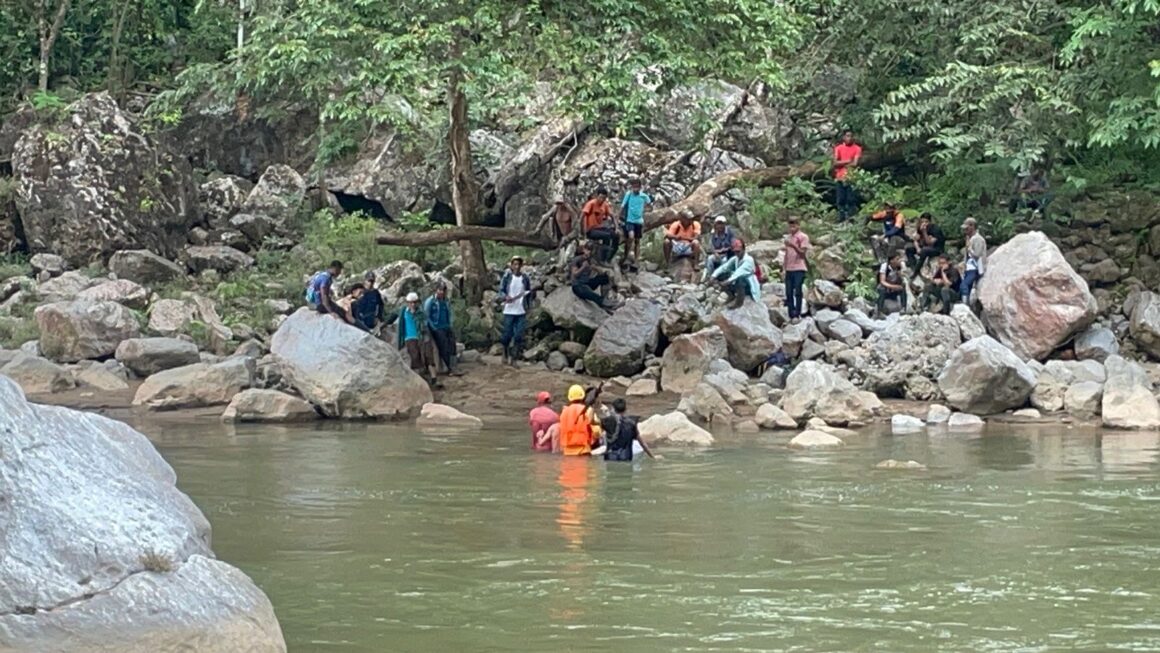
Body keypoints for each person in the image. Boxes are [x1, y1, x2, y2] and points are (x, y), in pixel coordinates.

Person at [397, 292, 437, 386]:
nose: (413, 304)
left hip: (422, 337)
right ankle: (419, 380)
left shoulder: (421, 313)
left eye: (414, 302)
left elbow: (426, 324)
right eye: (411, 302)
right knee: (415, 357)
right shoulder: (403, 311)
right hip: (410, 337)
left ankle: (433, 378)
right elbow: (393, 317)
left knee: (428, 356)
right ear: (407, 303)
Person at [498, 256, 533, 365]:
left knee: (518, 335)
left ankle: (514, 358)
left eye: (519, 265)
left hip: (521, 311)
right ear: (511, 266)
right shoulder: (507, 277)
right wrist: (505, 297)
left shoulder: (525, 278)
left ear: (521, 266)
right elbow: (501, 291)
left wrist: (529, 306)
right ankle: (505, 351)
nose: (517, 267)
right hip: (509, 310)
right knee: (507, 335)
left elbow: (528, 293)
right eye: (515, 264)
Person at [709, 238, 760, 309]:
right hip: (737, 283)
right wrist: (714, 275)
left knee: (740, 279)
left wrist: (728, 281)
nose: (737, 254)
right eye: (735, 252)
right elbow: (724, 267)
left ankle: (739, 302)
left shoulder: (748, 260)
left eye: (738, 252)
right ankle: (730, 294)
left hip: (748, 285)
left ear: (743, 250)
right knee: (724, 274)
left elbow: (739, 272)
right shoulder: (735, 259)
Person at [424, 283, 460, 375]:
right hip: (437, 327)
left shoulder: (445, 301)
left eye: (443, 290)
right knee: (444, 347)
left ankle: (454, 366)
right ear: (436, 290)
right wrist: (433, 328)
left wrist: (450, 324)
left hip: (446, 326)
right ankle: (449, 368)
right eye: (439, 290)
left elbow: (449, 313)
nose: (441, 292)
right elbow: (427, 316)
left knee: (452, 345)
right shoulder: (430, 301)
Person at [306, 260, 356, 325]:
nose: (339, 273)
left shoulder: (321, 274)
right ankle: (362, 329)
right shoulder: (326, 279)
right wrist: (331, 312)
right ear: (335, 268)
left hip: (310, 303)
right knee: (344, 314)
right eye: (339, 270)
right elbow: (324, 296)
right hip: (318, 305)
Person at [570, 243, 616, 310]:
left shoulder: (589, 260)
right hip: (577, 285)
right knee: (589, 293)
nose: (588, 252)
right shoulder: (577, 260)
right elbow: (575, 274)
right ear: (583, 250)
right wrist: (583, 267)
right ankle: (603, 302)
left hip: (587, 282)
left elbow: (596, 269)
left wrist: (598, 269)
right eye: (587, 250)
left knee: (604, 278)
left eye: (590, 250)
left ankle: (605, 298)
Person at [783, 217, 811, 322]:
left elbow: (802, 253)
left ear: (798, 225)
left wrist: (793, 245)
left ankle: (797, 313)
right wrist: (784, 268)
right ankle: (791, 314)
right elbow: (786, 254)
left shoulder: (803, 237)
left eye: (794, 226)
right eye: (790, 226)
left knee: (797, 291)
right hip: (789, 268)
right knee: (788, 292)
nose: (792, 228)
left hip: (799, 267)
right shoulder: (788, 238)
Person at [559, 384, 599, 456]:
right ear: (583, 396)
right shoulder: (588, 410)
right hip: (583, 450)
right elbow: (597, 432)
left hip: (567, 452)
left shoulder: (564, 412)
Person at [581, 187, 619, 261]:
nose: (602, 200)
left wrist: (616, 227)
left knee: (615, 235)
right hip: (591, 230)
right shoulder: (591, 204)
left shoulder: (605, 205)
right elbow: (582, 217)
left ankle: (610, 256)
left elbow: (613, 216)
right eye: (600, 197)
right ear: (597, 196)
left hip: (599, 228)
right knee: (607, 236)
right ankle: (602, 258)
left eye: (604, 198)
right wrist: (582, 231)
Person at [619, 179, 651, 266]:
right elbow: (623, 206)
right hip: (630, 220)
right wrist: (618, 217)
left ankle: (636, 260)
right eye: (634, 186)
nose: (635, 188)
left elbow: (649, 205)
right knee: (631, 237)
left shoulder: (644, 196)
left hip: (639, 221)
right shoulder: (629, 194)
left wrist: (644, 211)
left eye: (637, 186)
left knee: (637, 241)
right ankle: (626, 256)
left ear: (640, 187)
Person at [833, 130, 863, 221]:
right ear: (844, 137)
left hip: (851, 177)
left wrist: (841, 163)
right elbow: (835, 163)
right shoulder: (838, 148)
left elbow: (855, 163)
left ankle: (851, 217)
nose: (849, 138)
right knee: (840, 199)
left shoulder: (857, 148)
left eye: (851, 136)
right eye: (847, 136)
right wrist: (847, 161)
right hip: (840, 177)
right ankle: (841, 217)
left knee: (851, 199)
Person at [905, 212, 946, 278]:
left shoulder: (936, 229)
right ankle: (913, 267)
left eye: (926, 222)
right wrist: (917, 248)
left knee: (924, 250)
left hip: (937, 249)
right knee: (909, 249)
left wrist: (924, 232)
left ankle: (916, 271)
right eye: (922, 222)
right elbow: (915, 239)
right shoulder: (920, 228)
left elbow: (929, 243)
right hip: (925, 246)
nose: (924, 224)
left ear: (930, 222)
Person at [961, 217, 987, 304]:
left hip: (976, 268)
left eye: (966, 228)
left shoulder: (978, 239)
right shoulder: (970, 238)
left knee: (964, 285)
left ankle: (965, 305)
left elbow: (977, 255)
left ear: (972, 227)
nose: (965, 230)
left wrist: (969, 248)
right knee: (967, 287)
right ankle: (967, 303)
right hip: (969, 267)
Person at [702, 216, 736, 281]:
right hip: (718, 254)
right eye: (718, 224)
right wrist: (715, 253)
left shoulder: (729, 232)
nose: (720, 226)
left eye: (721, 224)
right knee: (710, 259)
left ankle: (724, 277)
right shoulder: (713, 234)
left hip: (728, 254)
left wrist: (727, 249)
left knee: (725, 261)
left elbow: (733, 243)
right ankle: (710, 277)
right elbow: (711, 246)